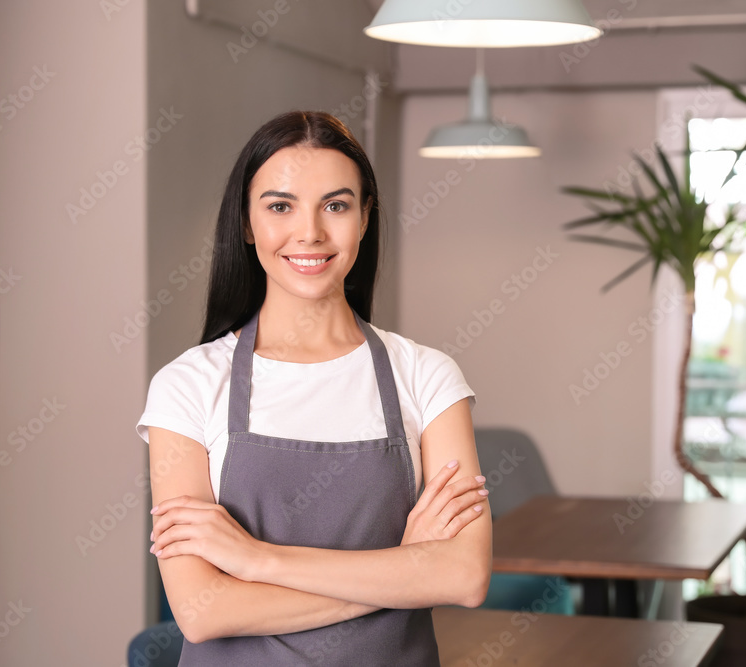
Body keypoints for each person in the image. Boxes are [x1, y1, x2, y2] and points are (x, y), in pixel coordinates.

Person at [135, 110, 492, 666]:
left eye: (336, 205)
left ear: (366, 217)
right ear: (248, 224)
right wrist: (404, 566)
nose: (311, 232)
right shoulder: (188, 386)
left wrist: (256, 562)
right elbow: (203, 612)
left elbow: (464, 576)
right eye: (281, 206)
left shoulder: (427, 377)